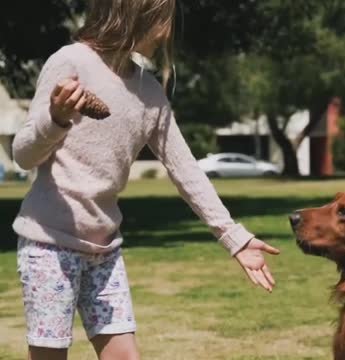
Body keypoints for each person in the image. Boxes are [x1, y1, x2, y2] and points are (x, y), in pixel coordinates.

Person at [11, 1, 279, 359]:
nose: (167, 33)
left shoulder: (148, 90)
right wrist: (56, 118)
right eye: (162, 21)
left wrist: (234, 238)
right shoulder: (70, 61)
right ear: (134, 13)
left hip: (104, 250)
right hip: (49, 246)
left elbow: (186, 170)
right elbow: (23, 154)